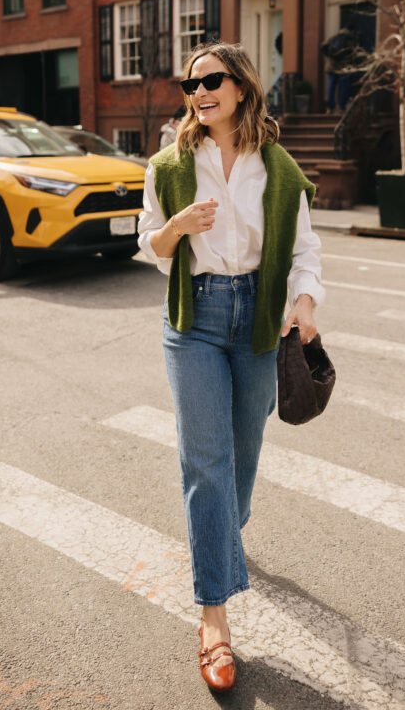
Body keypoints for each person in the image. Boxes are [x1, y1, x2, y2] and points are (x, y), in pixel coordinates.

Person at [138, 42, 324, 692]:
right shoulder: (168, 165)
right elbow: (151, 247)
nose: (200, 92)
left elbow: (304, 250)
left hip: (257, 319)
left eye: (212, 80)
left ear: (240, 87)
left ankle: (221, 535)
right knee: (205, 463)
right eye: (191, 84)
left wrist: (302, 301)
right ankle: (213, 619)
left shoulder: (275, 166)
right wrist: (176, 228)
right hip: (193, 321)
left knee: (242, 453)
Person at [320, 22, 355, 113]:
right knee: (344, 87)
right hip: (343, 67)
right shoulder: (350, 39)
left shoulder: (334, 37)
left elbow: (322, 46)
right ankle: (342, 107)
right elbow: (351, 55)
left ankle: (330, 108)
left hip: (332, 65)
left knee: (332, 87)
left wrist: (329, 56)